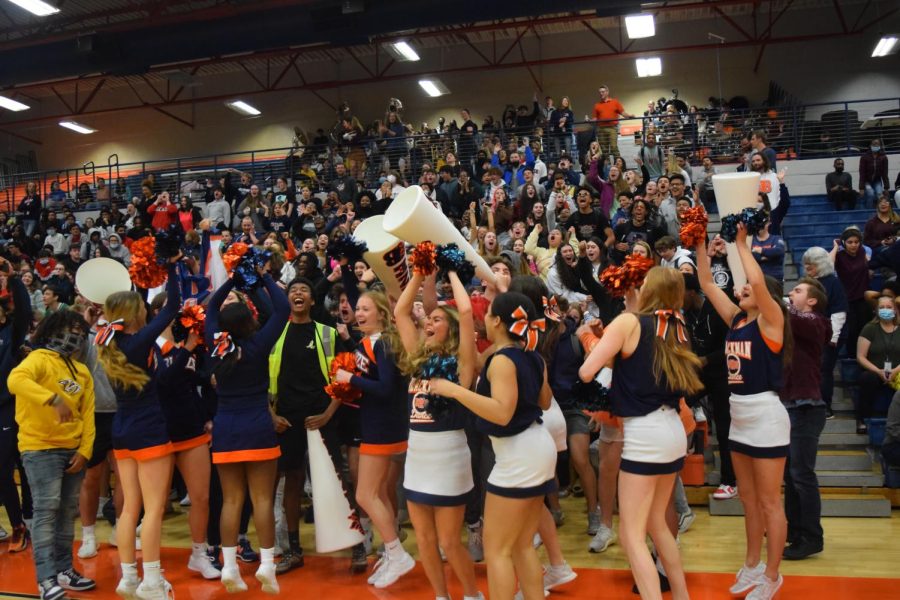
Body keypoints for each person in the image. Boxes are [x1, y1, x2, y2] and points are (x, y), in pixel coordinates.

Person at [578, 268, 701, 600]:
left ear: (650, 290)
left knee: (632, 535)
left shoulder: (628, 324)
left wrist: (590, 338)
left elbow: (587, 371)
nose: (637, 286)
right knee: (657, 526)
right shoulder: (677, 325)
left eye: (642, 284)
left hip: (645, 433)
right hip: (673, 430)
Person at [428, 292, 556, 600]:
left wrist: (455, 391)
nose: (483, 317)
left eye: (487, 313)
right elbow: (546, 401)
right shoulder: (532, 356)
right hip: (537, 446)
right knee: (523, 544)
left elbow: (502, 412)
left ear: (497, 320)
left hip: (518, 454)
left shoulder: (502, 361)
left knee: (497, 549)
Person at [697, 224, 790, 600]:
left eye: (750, 287)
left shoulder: (772, 322)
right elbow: (705, 283)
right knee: (748, 501)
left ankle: (772, 574)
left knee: (769, 502)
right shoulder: (736, 319)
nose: (744, 288)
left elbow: (758, 282)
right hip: (738, 416)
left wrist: (740, 245)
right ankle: (752, 565)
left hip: (766, 415)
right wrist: (699, 242)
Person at [394, 268, 483, 600]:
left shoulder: (462, 363)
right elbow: (401, 311)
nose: (428, 322)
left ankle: (473, 595)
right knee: (425, 540)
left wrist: (450, 269)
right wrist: (418, 273)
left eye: (436, 320)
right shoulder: (418, 360)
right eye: (427, 318)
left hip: (449, 458)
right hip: (417, 457)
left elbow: (463, 311)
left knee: (448, 541)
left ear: (451, 330)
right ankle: (441, 596)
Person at [268, 278, 366, 575]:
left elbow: (345, 377)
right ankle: (294, 550)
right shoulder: (275, 334)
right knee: (292, 483)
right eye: (293, 291)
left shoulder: (326, 333)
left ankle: (357, 545)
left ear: (312, 301)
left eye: (304, 290)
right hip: (286, 420)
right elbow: (261, 380)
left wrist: (327, 413)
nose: (298, 293)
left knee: (338, 482)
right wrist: (272, 416)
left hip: (324, 418)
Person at [96, 257, 181, 600]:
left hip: (122, 430)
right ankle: (152, 582)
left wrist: (142, 276)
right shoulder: (138, 340)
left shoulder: (108, 343)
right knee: (155, 508)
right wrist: (173, 267)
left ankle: (129, 577)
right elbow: (172, 306)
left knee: (130, 506)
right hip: (148, 430)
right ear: (134, 315)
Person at [205, 264, 290, 594]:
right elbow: (281, 307)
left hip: (226, 429)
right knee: (262, 499)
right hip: (257, 428)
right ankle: (267, 566)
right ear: (249, 322)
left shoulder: (216, 344)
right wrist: (261, 275)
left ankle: (228, 566)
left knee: (231, 501)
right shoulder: (257, 345)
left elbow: (212, 306)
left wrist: (230, 281)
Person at [9, 309, 96, 600]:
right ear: (52, 330)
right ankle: (46, 580)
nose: (75, 337)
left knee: (66, 515)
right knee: (47, 513)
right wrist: (53, 398)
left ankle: (64, 570)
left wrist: (84, 451)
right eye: (70, 329)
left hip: (73, 452)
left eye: (81, 333)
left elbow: (88, 415)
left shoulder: (81, 371)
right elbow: (15, 381)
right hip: (39, 449)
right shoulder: (36, 359)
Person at [334, 290, 413, 589]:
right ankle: (392, 553)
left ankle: (396, 551)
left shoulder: (383, 343)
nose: (360, 312)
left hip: (383, 426)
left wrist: (349, 379)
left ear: (381, 313)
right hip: (376, 422)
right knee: (377, 491)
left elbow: (386, 388)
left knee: (365, 495)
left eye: (367, 308)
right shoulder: (367, 343)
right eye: (358, 308)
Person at [150, 296, 219, 580]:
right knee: (156, 503)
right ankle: (151, 566)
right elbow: (163, 382)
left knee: (201, 497)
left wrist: (206, 416)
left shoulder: (186, 346)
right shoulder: (149, 346)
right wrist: (186, 350)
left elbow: (192, 386)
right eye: (171, 311)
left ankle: (199, 554)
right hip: (160, 431)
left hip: (191, 429)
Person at [781, 278, 830, 561]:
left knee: (802, 474)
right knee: (791, 475)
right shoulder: (794, 322)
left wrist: (773, 297)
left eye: (797, 291)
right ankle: (795, 531)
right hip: (789, 405)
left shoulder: (816, 321)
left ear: (812, 300)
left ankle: (812, 536)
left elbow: (786, 311)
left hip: (806, 407)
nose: (791, 293)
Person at [0, 266, 32, 554]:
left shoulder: (12, 333)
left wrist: (13, 278)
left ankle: (20, 525)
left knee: (6, 467)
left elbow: (24, 310)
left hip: (8, 408)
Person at [856, 296, 900, 434]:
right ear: (876, 310)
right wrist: (879, 371)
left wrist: (894, 371)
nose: (885, 310)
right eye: (882, 308)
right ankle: (863, 419)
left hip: (897, 372)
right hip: (875, 371)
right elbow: (860, 357)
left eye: (889, 307)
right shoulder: (870, 328)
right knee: (866, 378)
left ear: (895, 310)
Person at [831, 228, 870, 359]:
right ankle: (852, 356)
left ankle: (865, 355)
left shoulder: (862, 252)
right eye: (850, 242)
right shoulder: (840, 256)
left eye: (856, 242)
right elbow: (828, 264)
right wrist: (836, 248)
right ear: (844, 243)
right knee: (852, 330)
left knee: (864, 328)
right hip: (847, 298)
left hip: (863, 296)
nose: (854, 245)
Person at [592, 85, 634, 157]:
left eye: (603, 92)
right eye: (600, 92)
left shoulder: (615, 102)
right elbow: (594, 119)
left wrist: (630, 116)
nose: (601, 93)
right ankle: (607, 167)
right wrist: (588, 120)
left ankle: (619, 164)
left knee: (613, 147)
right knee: (604, 150)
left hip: (612, 128)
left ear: (607, 92)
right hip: (601, 129)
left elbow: (623, 113)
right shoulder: (597, 105)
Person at [859, 139, 889, 208]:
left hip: (877, 180)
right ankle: (868, 211)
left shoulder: (883, 157)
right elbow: (862, 173)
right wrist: (861, 188)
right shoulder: (864, 157)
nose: (875, 145)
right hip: (867, 181)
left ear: (880, 146)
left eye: (877, 144)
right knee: (871, 193)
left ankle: (879, 212)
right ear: (870, 145)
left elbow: (885, 173)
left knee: (879, 194)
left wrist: (886, 187)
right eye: (874, 144)